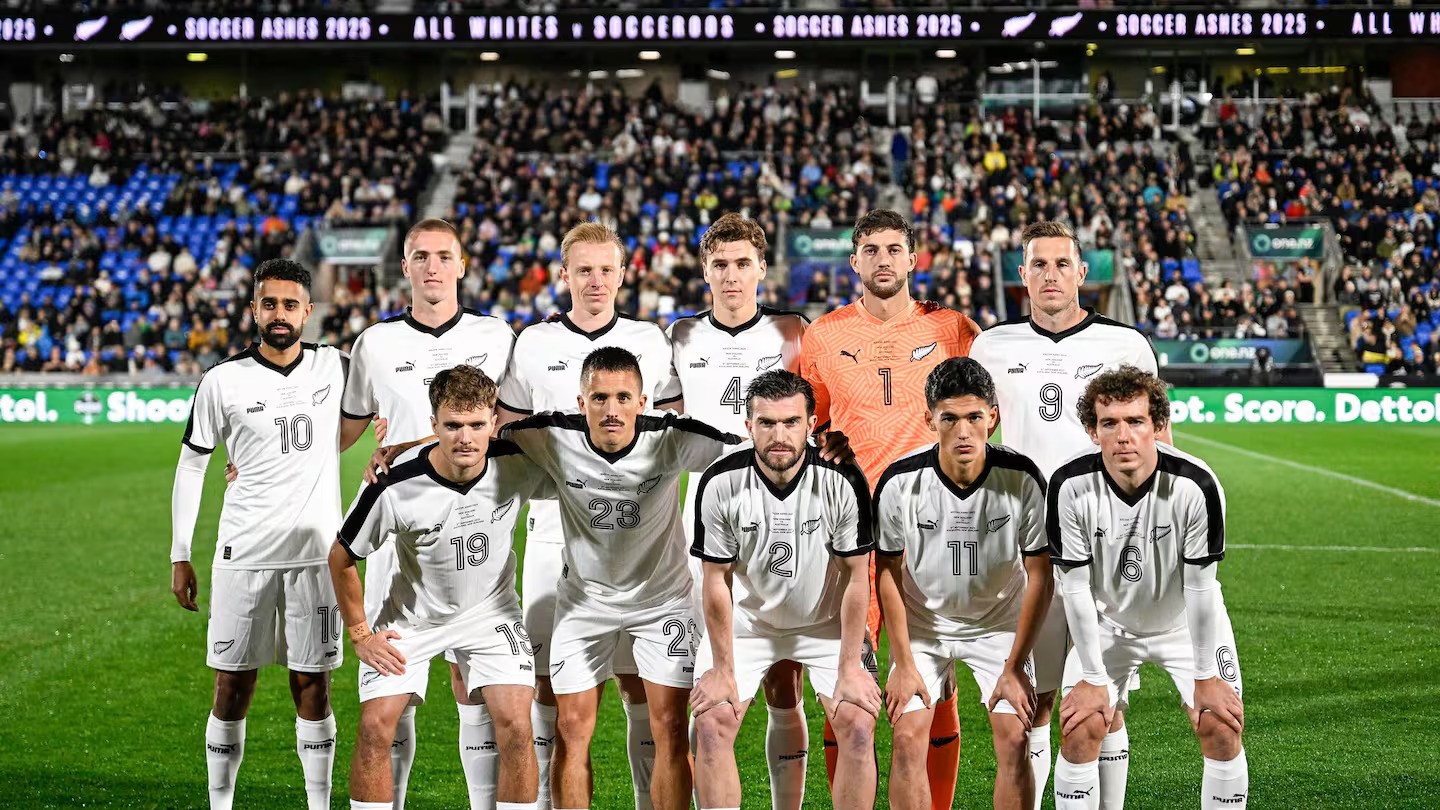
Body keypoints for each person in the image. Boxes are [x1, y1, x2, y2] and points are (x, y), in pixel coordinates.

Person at [969, 220, 1167, 809]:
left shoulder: (1125, 345)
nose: (1050, 275)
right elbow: (974, 439)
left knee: (1102, 701)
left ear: (1083, 274)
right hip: (1019, 550)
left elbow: (1159, 444)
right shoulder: (993, 346)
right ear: (1021, 275)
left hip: (1105, 548)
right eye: (1038, 264)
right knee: (1031, 701)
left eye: (1062, 264)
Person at [499, 347, 744, 810]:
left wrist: (826, 449)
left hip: (662, 605)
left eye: (623, 398)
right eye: (600, 398)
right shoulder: (548, 434)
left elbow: (751, 447)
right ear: (580, 401)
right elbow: (475, 440)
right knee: (569, 730)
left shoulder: (673, 438)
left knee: (670, 727)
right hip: (583, 603)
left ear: (644, 401)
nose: (612, 410)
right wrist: (403, 449)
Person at [799, 208, 981, 809]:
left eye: (894, 249)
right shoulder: (823, 335)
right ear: (854, 261)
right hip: (848, 534)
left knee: (933, 686)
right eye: (870, 250)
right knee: (846, 684)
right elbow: (813, 426)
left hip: (932, 532)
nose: (883, 260)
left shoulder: (956, 330)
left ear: (912, 258)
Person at [496, 221, 679, 810]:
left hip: (636, 546)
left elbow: (671, 434)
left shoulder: (650, 342)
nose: (595, 281)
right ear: (564, 275)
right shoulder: (535, 344)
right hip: (553, 538)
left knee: (639, 684)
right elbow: (501, 431)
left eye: (606, 269)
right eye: (584, 270)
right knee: (553, 689)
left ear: (623, 275)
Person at [342, 218, 516, 809]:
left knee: (476, 690)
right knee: (392, 693)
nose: (433, 267)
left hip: (476, 524)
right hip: (398, 532)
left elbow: (509, 426)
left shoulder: (499, 337)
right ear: (405, 267)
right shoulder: (375, 342)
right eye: (421, 256)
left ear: (463, 265)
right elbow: (344, 429)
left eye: (445, 256)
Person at [169, 259, 347, 810]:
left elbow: (386, 404)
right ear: (253, 309)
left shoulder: (335, 367)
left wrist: (383, 447)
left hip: (317, 556)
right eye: (269, 304)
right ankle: (220, 803)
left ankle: (318, 803)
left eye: (290, 305)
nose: (279, 315)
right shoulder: (222, 380)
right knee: (231, 686)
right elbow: (193, 464)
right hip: (242, 554)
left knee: (312, 685)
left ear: (308, 312)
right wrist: (180, 553)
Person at [331, 365, 550, 810]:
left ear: (494, 424)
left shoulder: (518, 462)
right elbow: (341, 557)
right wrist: (360, 634)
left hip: (491, 614)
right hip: (413, 618)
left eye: (475, 425)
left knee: (515, 723)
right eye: (451, 426)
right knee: (376, 727)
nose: (464, 438)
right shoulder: (393, 484)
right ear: (434, 426)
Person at [663, 212, 813, 809]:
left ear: (761, 269)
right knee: (708, 697)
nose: (731, 276)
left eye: (742, 264)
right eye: (720, 264)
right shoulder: (677, 336)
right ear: (705, 271)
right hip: (700, 529)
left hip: (784, 522)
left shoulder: (793, 333)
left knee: (784, 682)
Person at [1048, 367, 1246, 810]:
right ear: (1091, 430)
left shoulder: (1196, 485)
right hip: (1108, 622)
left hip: (1185, 625)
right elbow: (1075, 589)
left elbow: (1200, 589)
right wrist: (1095, 680)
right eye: (1109, 423)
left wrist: (1205, 676)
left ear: (1157, 426)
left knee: (1220, 724)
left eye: (1135, 421)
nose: (1123, 436)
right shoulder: (1069, 486)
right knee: (1081, 726)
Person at [689, 371, 879, 810]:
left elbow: (856, 578)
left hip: (826, 624)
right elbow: (715, 579)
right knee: (712, 724)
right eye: (767, 423)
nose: (780, 435)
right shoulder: (720, 482)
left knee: (857, 723)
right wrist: (721, 667)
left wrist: (851, 665)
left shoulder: (843, 479)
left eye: (791, 422)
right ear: (748, 426)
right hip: (750, 625)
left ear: (812, 425)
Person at [874, 358, 1052, 810]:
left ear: (993, 417)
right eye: (949, 418)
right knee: (908, 736)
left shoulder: (1024, 478)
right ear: (929, 418)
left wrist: (1015, 666)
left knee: (1015, 738)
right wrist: (904, 660)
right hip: (925, 629)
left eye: (974, 417)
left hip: (999, 628)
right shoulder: (899, 481)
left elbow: (1039, 576)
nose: (963, 432)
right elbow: (888, 573)